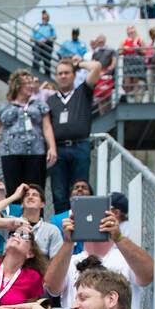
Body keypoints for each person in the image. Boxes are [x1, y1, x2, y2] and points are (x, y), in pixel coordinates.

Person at [46, 193, 153, 309]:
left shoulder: (125, 258)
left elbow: (148, 275)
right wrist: (68, 241)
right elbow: (51, 286)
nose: (94, 221)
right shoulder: (70, 261)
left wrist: (119, 237)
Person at [0, 70, 55, 196]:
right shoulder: (4, 107)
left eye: (32, 83)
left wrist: (52, 147)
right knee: (14, 191)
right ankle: (15, 215)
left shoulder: (40, 104)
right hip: (11, 155)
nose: (31, 85)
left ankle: (37, 216)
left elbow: (47, 127)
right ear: (17, 85)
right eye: (27, 83)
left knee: (36, 191)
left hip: (35, 153)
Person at [48, 57, 101, 213]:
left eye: (67, 72)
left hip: (80, 146)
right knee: (59, 192)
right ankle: (62, 229)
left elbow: (96, 67)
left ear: (73, 75)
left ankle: (83, 227)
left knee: (81, 189)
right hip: (58, 149)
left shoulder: (83, 91)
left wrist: (78, 65)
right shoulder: (50, 100)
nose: (63, 76)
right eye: (60, 73)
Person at [0, 183, 61, 258]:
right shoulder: (11, 222)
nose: (30, 197)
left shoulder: (51, 230)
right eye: (27, 195)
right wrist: (15, 196)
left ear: (42, 204)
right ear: (22, 204)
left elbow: (56, 260)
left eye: (35, 195)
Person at [119, 26, 147, 102]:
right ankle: (129, 98)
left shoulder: (140, 39)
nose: (131, 31)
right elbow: (119, 51)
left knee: (136, 81)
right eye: (129, 29)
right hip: (128, 62)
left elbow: (145, 51)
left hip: (137, 62)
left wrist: (137, 49)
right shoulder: (124, 41)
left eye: (132, 29)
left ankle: (135, 98)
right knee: (127, 81)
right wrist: (124, 48)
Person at [30, 10, 56, 78]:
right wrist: (39, 41)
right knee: (36, 60)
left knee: (47, 63)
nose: (44, 19)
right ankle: (35, 75)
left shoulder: (51, 27)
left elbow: (54, 36)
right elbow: (31, 39)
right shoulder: (37, 26)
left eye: (46, 18)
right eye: (43, 18)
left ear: (48, 19)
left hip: (47, 45)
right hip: (38, 45)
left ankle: (47, 77)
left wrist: (46, 39)